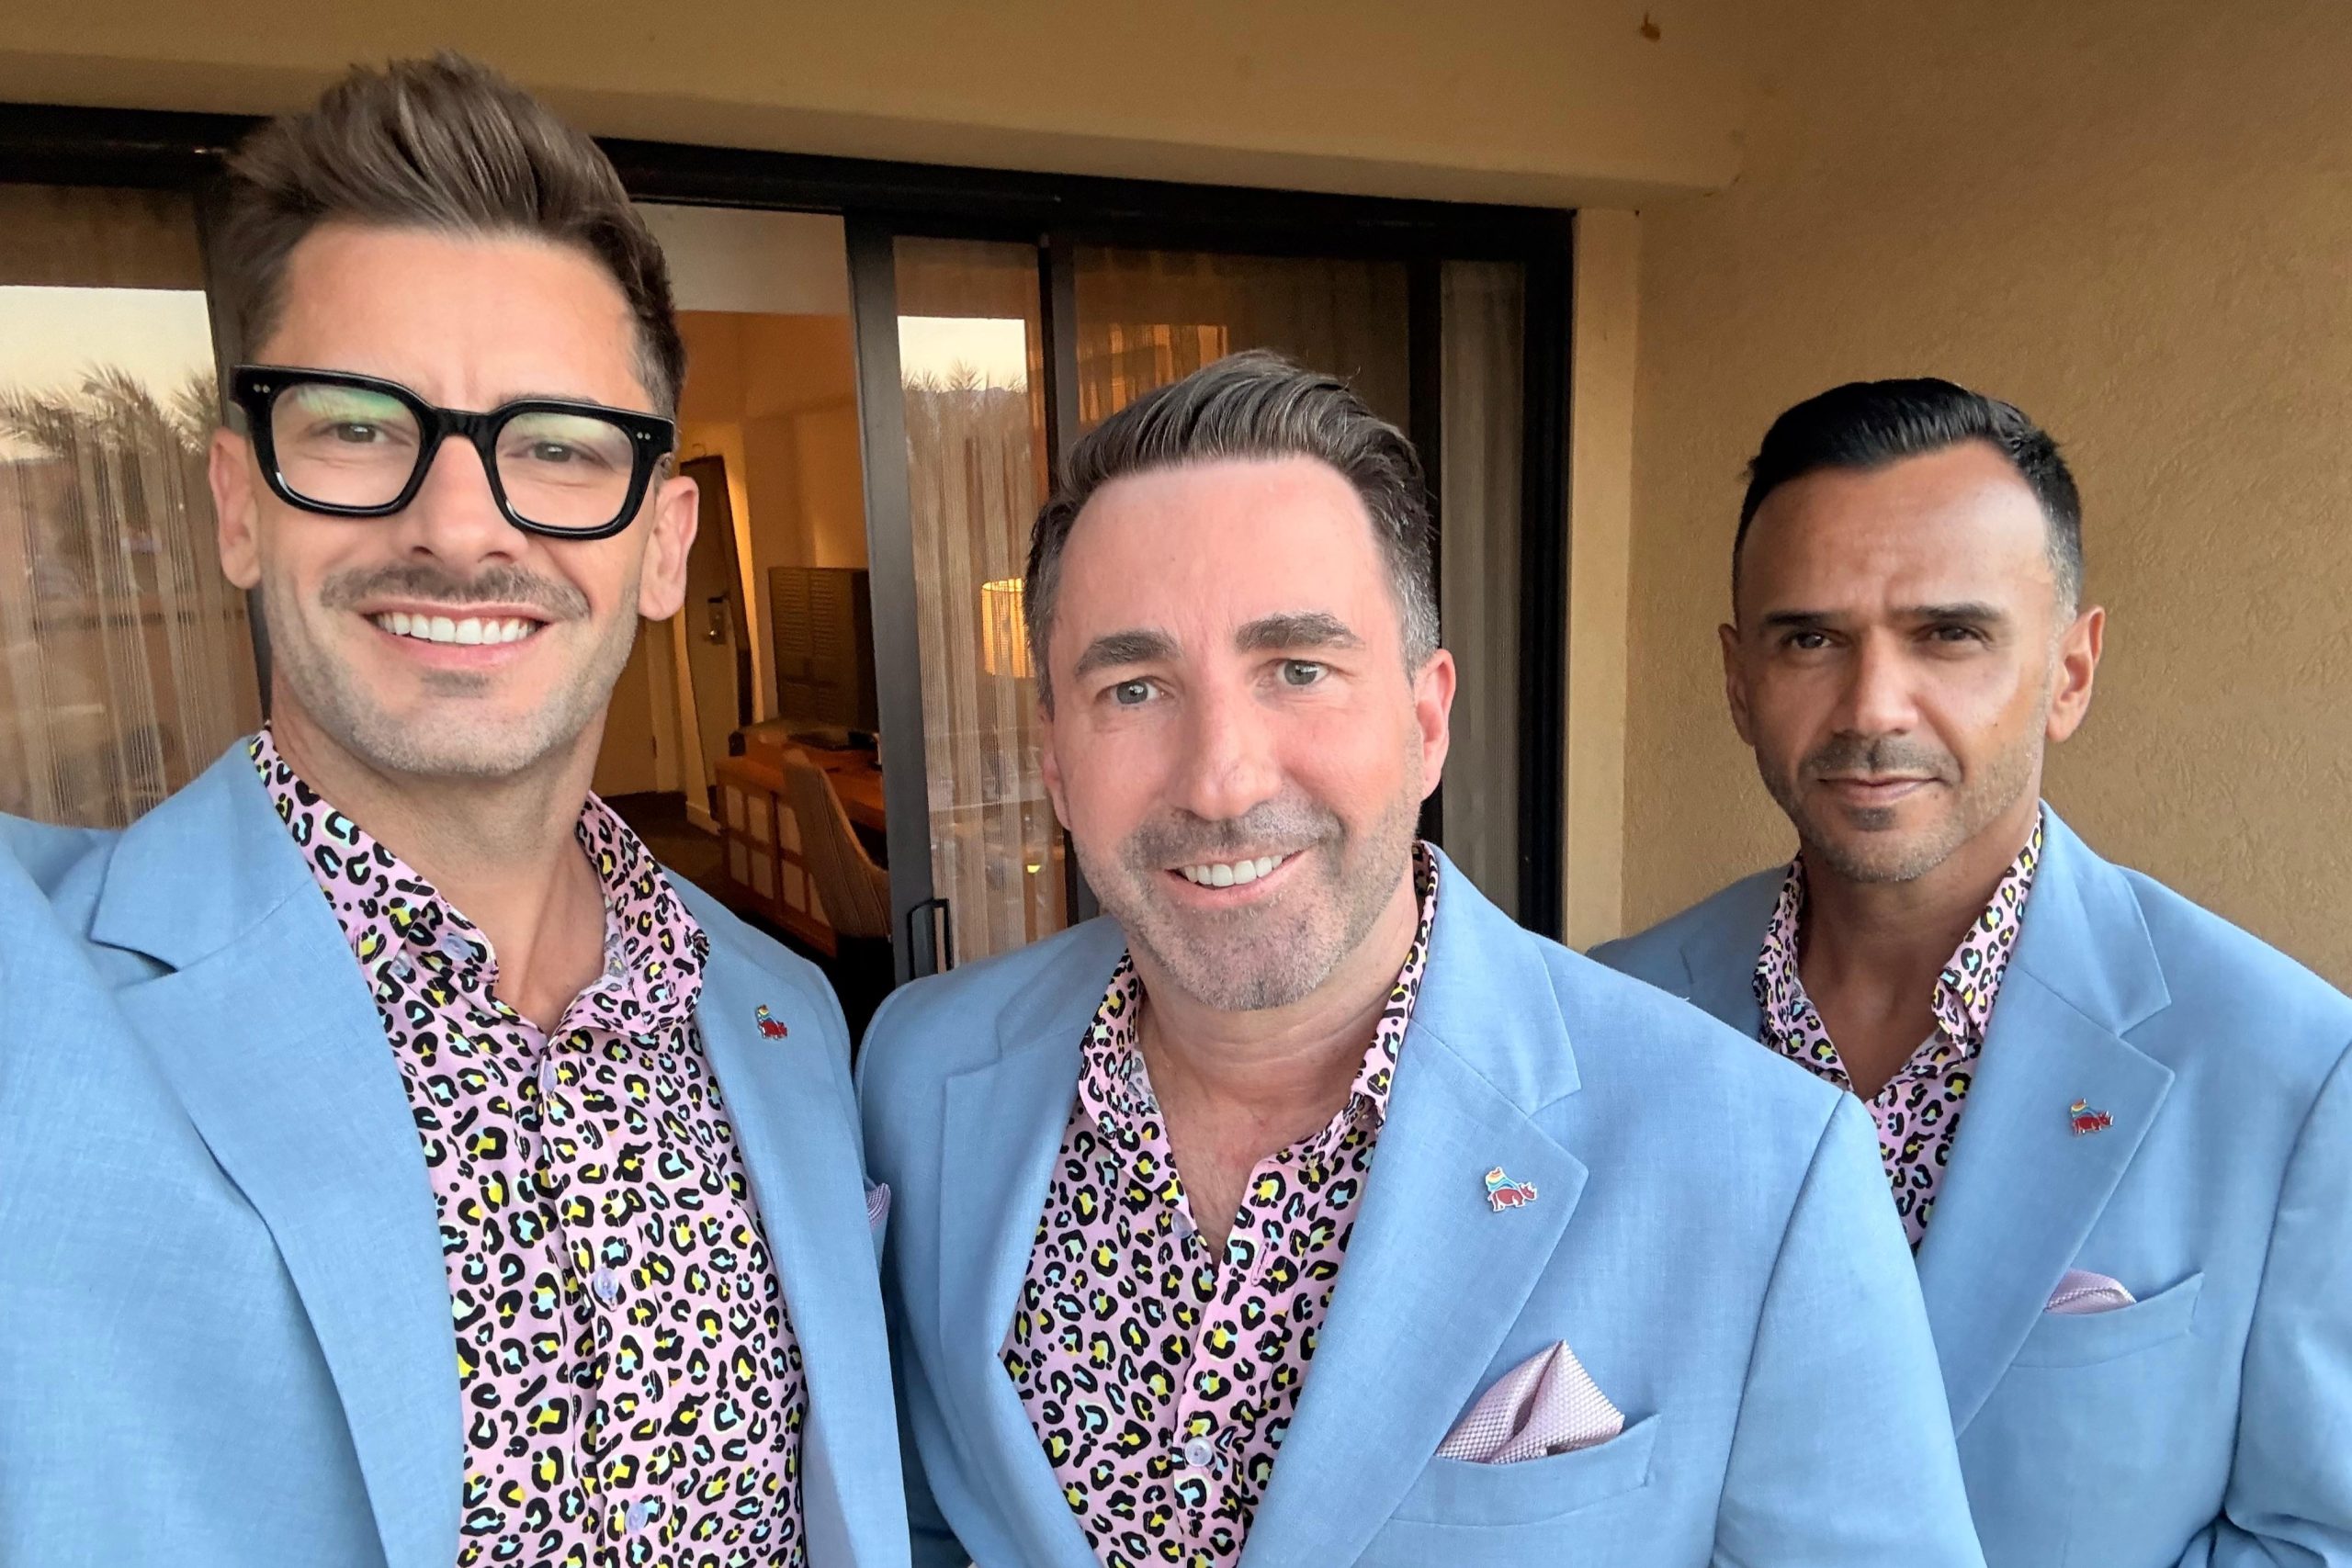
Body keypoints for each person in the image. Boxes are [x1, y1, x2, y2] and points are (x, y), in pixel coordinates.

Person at [856, 351, 1984, 1568]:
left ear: (1427, 716)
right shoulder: (922, 1075)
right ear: (1057, 758)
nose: (1221, 778)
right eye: (1135, 688)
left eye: (1299, 669)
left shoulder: (1764, 1164)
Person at [0, 56, 906, 1568]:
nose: (462, 527)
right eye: (358, 426)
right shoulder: (40, 1009)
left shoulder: (785, 1020)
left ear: (663, 542)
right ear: (240, 501)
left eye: (557, 446)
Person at [1595, 378, 2352, 1567]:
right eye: (1810, 639)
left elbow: (2317, 1538)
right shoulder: (1609, 1021)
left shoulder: (2290, 1071)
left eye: (1949, 634)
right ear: (1740, 680)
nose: (1872, 707)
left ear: (2071, 671)